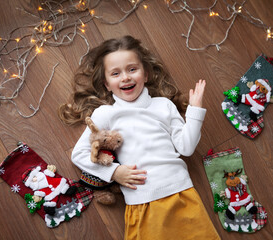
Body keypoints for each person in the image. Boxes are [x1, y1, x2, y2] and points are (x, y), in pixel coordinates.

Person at [59, 35, 220, 240]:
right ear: (107, 84)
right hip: (141, 201)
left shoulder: (164, 105)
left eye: (132, 69)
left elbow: (186, 148)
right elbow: (79, 154)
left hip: (181, 194)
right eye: (116, 73)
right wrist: (114, 172)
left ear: (145, 74)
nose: (125, 77)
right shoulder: (105, 114)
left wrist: (195, 112)